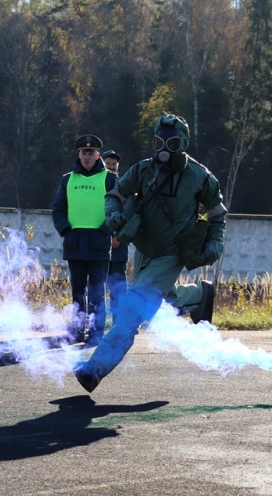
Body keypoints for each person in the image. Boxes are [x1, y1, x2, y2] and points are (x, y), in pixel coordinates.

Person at [73, 112, 227, 392]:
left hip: (172, 253)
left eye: (171, 143)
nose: (163, 150)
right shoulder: (143, 170)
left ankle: (94, 369)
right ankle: (197, 297)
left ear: (183, 144)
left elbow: (218, 215)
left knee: (132, 309)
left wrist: (214, 246)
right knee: (154, 306)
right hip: (143, 249)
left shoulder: (200, 177)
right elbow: (115, 196)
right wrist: (113, 216)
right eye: (159, 142)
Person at [51, 135, 118, 346]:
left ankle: (97, 334)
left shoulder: (110, 179)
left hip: (99, 242)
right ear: (78, 154)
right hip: (74, 243)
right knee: (78, 292)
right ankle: (78, 331)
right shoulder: (67, 179)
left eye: (91, 153)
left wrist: (105, 232)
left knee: (97, 292)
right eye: (83, 152)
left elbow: (119, 210)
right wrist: (66, 232)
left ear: (98, 155)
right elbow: (58, 210)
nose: (87, 156)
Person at [101, 149, 128, 326]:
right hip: (99, 244)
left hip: (118, 245)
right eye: (108, 164)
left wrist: (118, 236)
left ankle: (119, 323)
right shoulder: (96, 184)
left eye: (114, 165)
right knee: (97, 287)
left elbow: (128, 213)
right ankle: (98, 323)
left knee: (118, 287)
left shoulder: (124, 187)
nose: (111, 168)